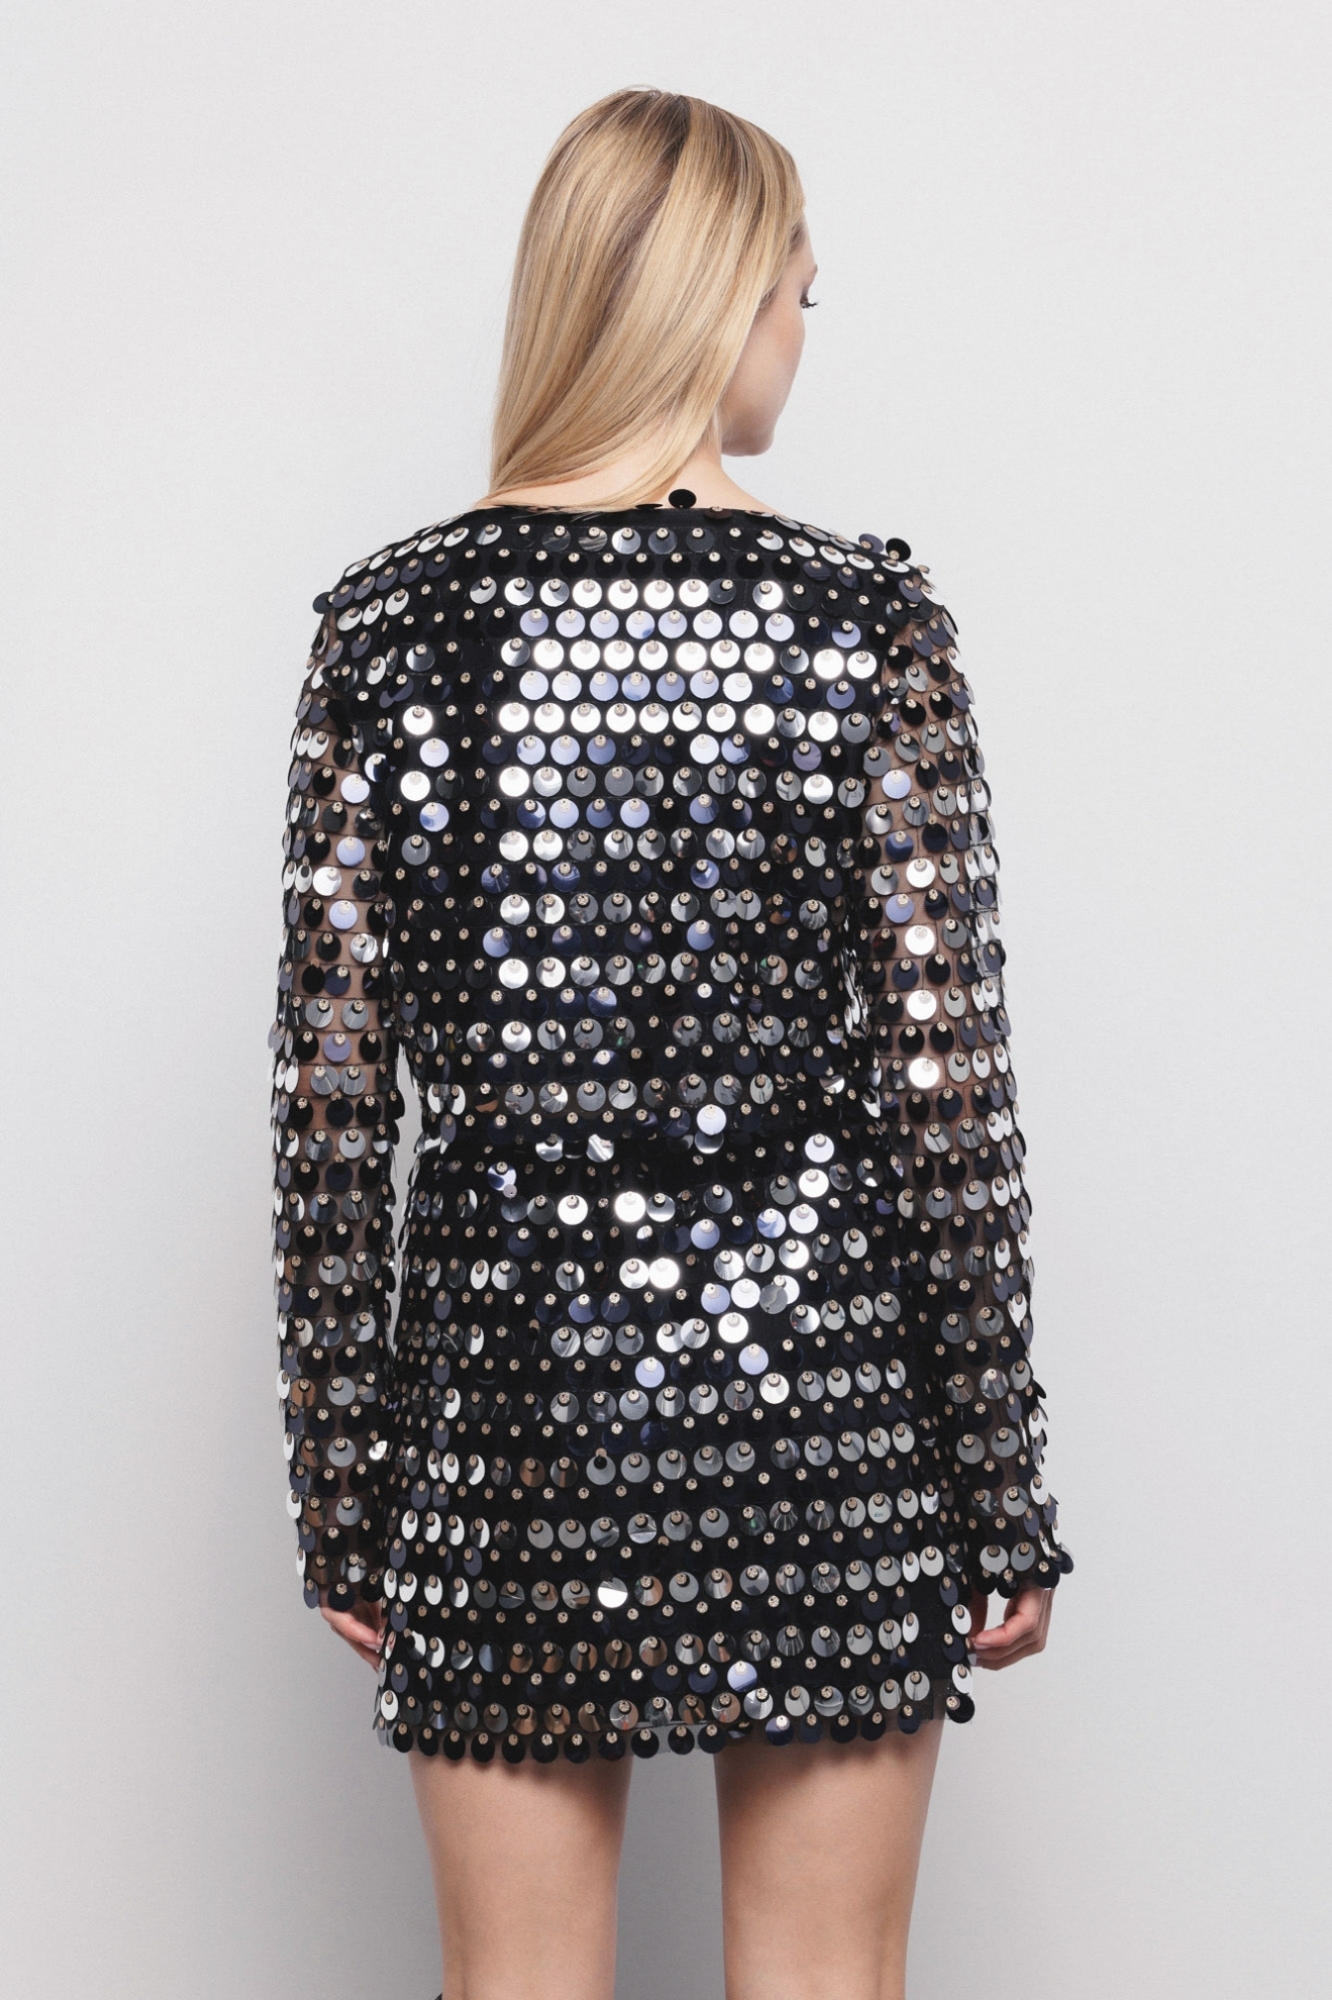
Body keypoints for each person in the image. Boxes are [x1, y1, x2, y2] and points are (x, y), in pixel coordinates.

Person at [271, 85, 1072, 2000]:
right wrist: (997, 1479)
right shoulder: (863, 627)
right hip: (828, 1407)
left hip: (508, 1408)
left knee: (519, 1983)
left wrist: (348, 1493)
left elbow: (332, 1109)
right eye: (801, 291)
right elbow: (945, 1101)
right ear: (723, 303)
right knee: (824, 1978)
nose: (803, 331)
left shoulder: (390, 631)